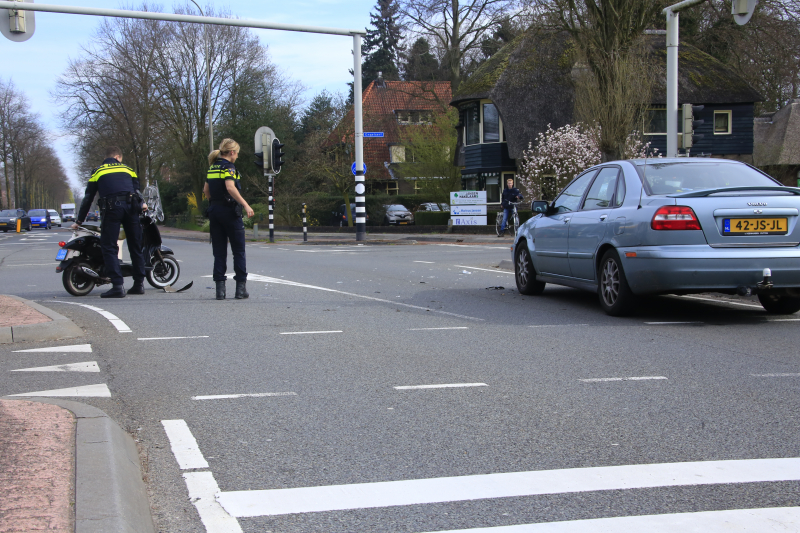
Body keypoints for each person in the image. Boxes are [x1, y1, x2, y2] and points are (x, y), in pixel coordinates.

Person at [73, 146, 147, 298]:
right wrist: (143, 204)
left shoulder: (98, 172)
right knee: (135, 245)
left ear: (106, 157)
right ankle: (139, 284)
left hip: (112, 209)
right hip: (131, 209)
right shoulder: (129, 169)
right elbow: (137, 191)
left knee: (109, 246)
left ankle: (117, 286)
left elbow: (88, 198)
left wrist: (79, 220)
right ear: (118, 157)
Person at [203, 138, 254, 300]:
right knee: (238, 251)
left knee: (219, 252)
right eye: (237, 153)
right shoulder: (229, 167)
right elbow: (230, 187)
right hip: (230, 212)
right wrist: (246, 205)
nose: (237, 156)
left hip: (214, 211)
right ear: (232, 152)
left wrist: (214, 203)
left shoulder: (212, 167)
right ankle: (240, 289)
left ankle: (220, 291)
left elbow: (206, 190)